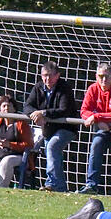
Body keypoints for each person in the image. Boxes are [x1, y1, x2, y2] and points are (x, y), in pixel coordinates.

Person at [76, 63, 111, 196]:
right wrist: (99, 121)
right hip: (105, 129)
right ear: (96, 76)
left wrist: (96, 117)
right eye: (100, 76)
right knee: (96, 143)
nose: (103, 80)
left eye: (106, 76)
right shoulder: (92, 89)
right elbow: (84, 111)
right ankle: (92, 185)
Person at [23, 61, 78, 192]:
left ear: (57, 75)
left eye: (50, 75)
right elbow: (27, 106)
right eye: (44, 75)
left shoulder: (64, 88)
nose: (47, 79)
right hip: (48, 129)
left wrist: (43, 113)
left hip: (66, 128)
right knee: (50, 150)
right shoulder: (38, 87)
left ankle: (52, 183)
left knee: (52, 146)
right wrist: (35, 116)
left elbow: (63, 109)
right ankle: (60, 187)